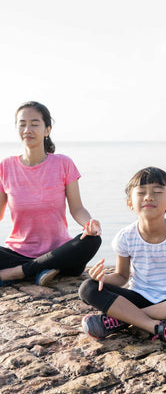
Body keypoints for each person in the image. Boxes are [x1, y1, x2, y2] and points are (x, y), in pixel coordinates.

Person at [79, 167, 166, 349]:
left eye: (158, 192)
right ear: (130, 203)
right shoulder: (125, 236)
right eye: (141, 192)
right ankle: (157, 327)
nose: (149, 197)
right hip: (138, 295)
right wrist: (102, 278)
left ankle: (122, 319)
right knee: (88, 288)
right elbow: (121, 277)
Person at [0, 102, 101, 287]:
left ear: (47, 130)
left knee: (92, 240)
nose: (27, 129)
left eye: (34, 123)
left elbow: (77, 209)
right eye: (22, 124)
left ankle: (19, 272)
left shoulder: (63, 163)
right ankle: (43, 270)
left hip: (59, 251)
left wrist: (89, 224)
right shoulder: (5, 166)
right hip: (18, 252)